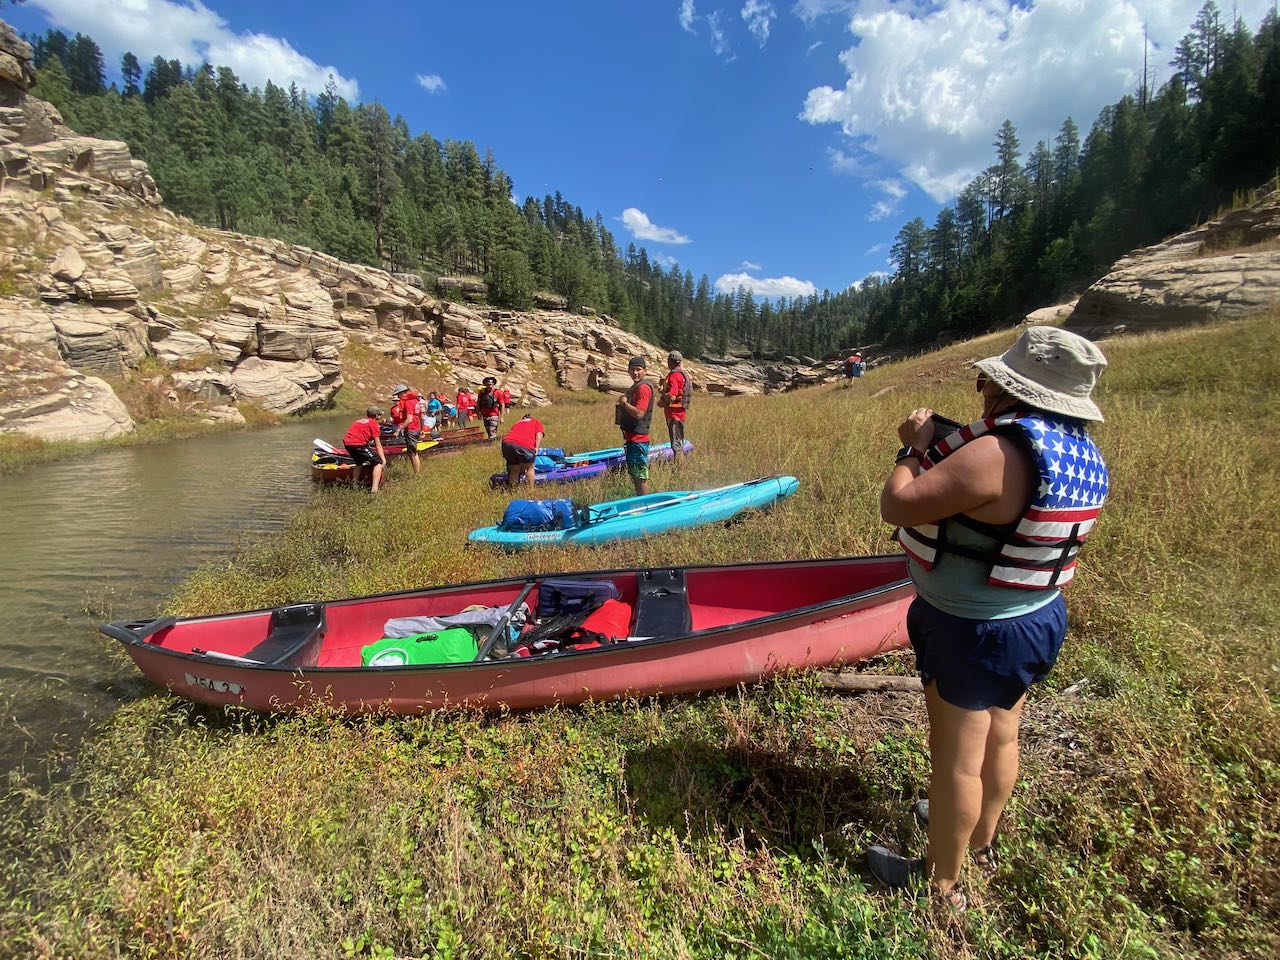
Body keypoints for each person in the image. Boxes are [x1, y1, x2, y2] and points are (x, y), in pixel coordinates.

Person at [867, 326, 1110, 912]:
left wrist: (912, 449)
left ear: (1011, 389)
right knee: (1003, 732)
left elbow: (896, 505)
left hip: (973, 629)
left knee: (953, 758)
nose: (982, 388)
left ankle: (939, 883)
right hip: (1035, 616)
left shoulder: (996, 452)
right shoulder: (1077, 449)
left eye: (990, 380)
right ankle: (981, 840)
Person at [616, 356, 655, 496]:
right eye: (632, 370)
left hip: (639, 439)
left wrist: (624, 403)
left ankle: (645, 506)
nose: (635, 373)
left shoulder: (643, 388)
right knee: (636, 475)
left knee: (640, 477)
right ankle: (641, 502)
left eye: (638, 370)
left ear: (645, 371)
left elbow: (639, 413)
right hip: (633, 439)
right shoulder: (637, 387)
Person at [343, 406, 389, 493]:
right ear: (376, 415)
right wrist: (383, 460)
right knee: (378, 463)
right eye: (379, 414)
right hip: (359, 444)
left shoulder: (359, 421)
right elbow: (378, 445)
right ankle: (374, 489)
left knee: (358, 463)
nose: (380, 416)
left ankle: (354, 485)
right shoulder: (374, 424)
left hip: (348, 444)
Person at [658, 350, 690, 460]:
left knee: (676, 445)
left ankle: (679, 469)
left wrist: (661, 392)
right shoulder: (683, 374)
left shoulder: (673, 376)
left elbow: (672, 396)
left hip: (674, 415)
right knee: (679, 441)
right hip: (680, 413)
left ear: (669, 362)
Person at [500, 412, 546, 488]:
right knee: (529, 467)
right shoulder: (535, 422)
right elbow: (539, 434)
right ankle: (530, 490)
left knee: (514, 468)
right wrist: (536, 448)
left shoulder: (517, 423)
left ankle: (513, 489)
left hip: (506, 443)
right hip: (524, 444)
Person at [389, 384, 425, 475]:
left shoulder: (408, 402)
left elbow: (409, 419)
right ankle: (416, 473)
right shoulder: (415, 401)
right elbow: (422, 416)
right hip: (416, 428)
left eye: (398, 395)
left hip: (411, 429)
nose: (398, 397)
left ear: (402, 393)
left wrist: (398, 430)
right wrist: (422, 429)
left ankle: (417, 474)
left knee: (413, 453)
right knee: (411, 452)